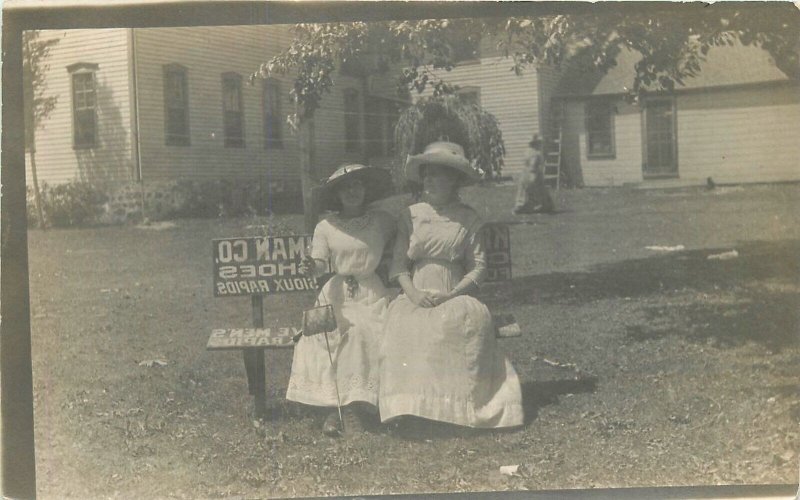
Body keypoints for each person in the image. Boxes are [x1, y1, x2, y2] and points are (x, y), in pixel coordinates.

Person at [379, 141, 524, 429]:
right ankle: (412, 410)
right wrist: (415, 294)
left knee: (457, 325)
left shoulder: (468, 218)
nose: (428, 181)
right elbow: (398, 266)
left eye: (437, 175)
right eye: (426, 175)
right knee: (404, 327)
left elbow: (479, 267)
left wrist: (452, 293)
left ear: (454, 180)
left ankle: (454, 413)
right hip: (416, 292)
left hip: (454, 292)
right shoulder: (411, 215)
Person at [286, 164, 396, 436]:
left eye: (357, 185)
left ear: (366, 189)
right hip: (336, 295)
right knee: (324, 337)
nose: (352, 191)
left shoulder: (382, 221)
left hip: (371, 292)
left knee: (361, 334)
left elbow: (410, 236)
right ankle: (334, 409)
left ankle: (356, 406)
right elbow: (320, 263)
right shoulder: (326, 226)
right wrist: (312, 267)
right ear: (336, 194)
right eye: (345, 187)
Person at [513, 134, 555, 214]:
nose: (540, 144)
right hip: (533, 174)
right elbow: (533, 165)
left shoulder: (527, 151)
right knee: (534, 191)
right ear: (535, 143)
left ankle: (545, 206)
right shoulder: (536, 153)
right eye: (539, 143)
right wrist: (533, 175)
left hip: (525, 173)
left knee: (528, 191)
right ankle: (523, 208)